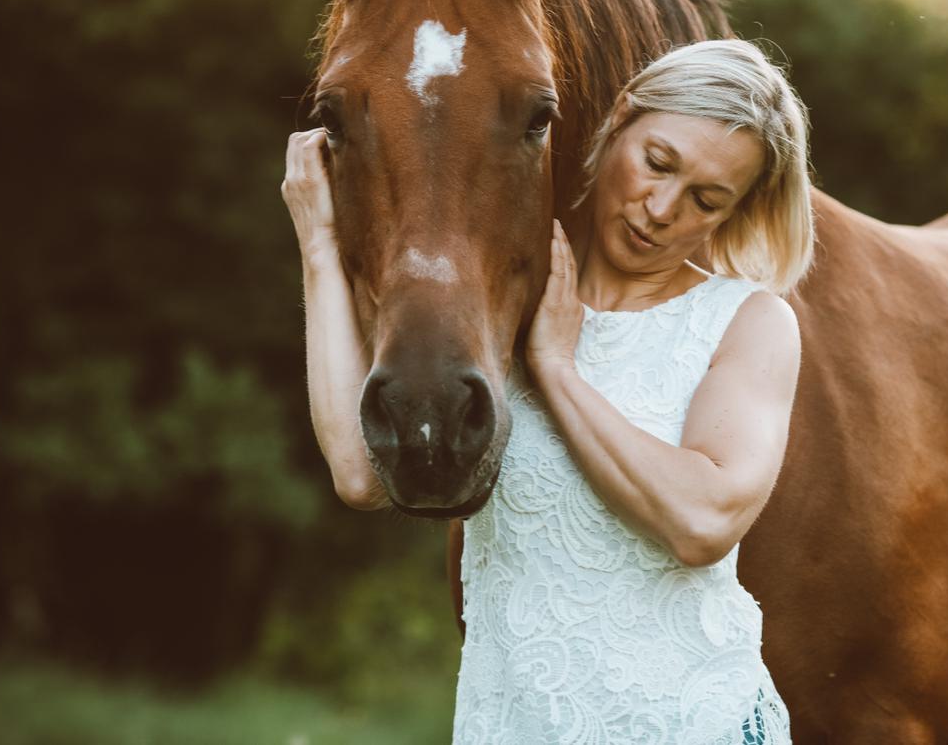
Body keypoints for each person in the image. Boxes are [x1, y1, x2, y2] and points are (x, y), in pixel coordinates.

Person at [285, 39, 814, 744]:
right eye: (657, 162)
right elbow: (360, 474)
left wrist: (558, 371)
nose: (660, 208)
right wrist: (318, 244)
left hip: (693, 726)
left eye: (706, 200)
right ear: (621, 118)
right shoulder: (505, 293)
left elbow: (704, 523)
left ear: (734, 211)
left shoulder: (748, 322)